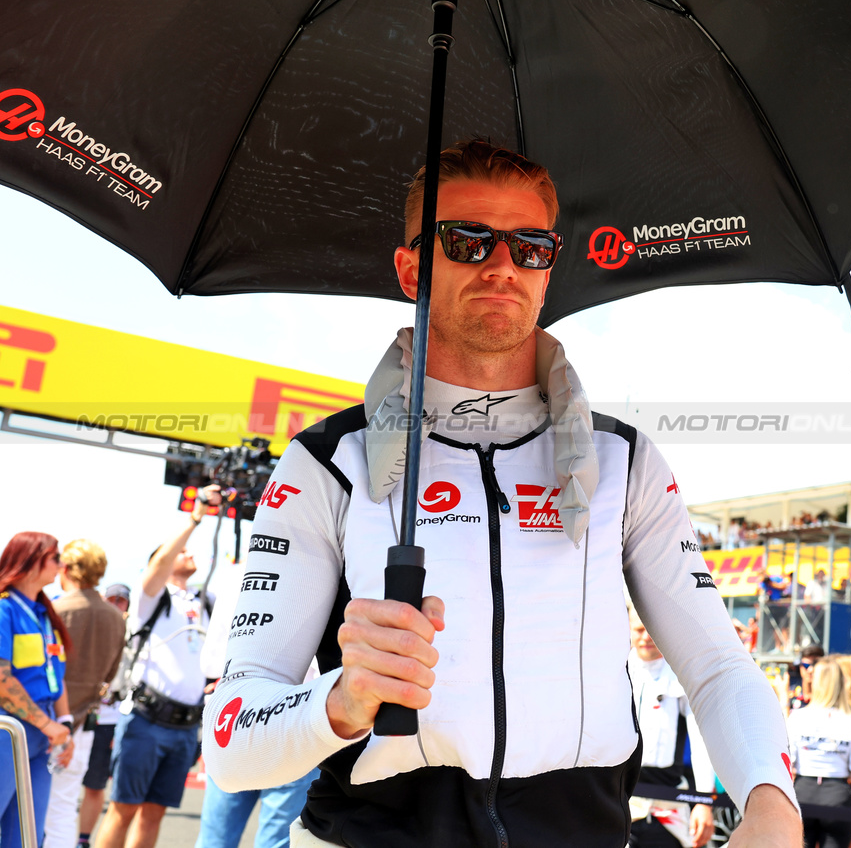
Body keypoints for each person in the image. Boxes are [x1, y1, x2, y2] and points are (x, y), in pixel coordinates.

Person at [202, 140, 799, 848]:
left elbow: (717, 668)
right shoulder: (327, 461)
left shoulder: (624, 461)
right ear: (409, 267)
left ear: (550, 272)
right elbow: (230, 742)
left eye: (530, 247)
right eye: (466, 240)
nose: (501, 266)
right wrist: (340, 701)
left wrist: (771, 802)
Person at [97, 485, 221, 848]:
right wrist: (195, 519)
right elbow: (157, 566)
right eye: (178, 551)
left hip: (184, 727)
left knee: (154, 813)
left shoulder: (203, 601)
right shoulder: (152, 598)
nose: (188, 552)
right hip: (145, 721)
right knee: (122, 809)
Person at [194, 556, 320, 848]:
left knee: (216, 837)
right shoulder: (322, 569)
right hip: (292, 715)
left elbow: (211, 662)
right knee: (276, 839)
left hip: (235, 712)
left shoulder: (239, 573)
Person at [46, 540, 127, 848]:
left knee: (30, 804)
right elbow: (110, 673)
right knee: (65, 806)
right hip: (87, 721)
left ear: (65, 568)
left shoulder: (55, 609)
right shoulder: (114, 617)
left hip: (48, 720)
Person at [0, 532, 73, 848]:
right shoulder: (5, 610)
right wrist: (49, 725)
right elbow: (2, 681)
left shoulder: (46, 615)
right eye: (56, 557)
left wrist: (64, 727)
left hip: (42, 735)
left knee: (28, 836)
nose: (62, 564)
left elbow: (57, 678)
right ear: (32, 560)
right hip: (8, 730)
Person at [628, 608, 716, 848]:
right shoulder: (614, 670)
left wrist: (704, 801)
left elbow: (701, 742)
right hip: (617, 798)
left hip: (667, 803)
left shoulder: (682, 675)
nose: (645, 637)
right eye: (638, 629)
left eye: (651, 631)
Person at [787, 658, 851, 848]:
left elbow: (787, 766)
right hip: (837, 798)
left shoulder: (798, 717)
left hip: (803, 794)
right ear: (840, 684)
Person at [80, 585, 131, 848]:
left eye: (121, 601)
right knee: (61, 779)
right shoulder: (89, 625)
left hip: (109, 719)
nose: (116, 605)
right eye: (111, 600)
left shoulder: (133, 634)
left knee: (95, 784)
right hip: (78, 715)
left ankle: (83, 839)